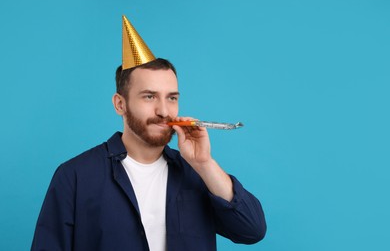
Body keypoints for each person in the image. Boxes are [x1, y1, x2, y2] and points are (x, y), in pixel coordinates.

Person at [31, 16, 266, 251]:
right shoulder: (75, 177)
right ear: (120, 104)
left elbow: (252, 230)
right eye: (149, 96)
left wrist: (204, 163)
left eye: (171, 98)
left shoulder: (197, 175)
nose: (163, 111)